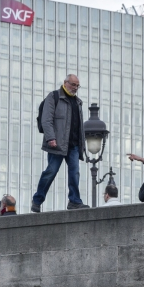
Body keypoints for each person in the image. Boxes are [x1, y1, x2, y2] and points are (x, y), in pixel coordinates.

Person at [32, 74, 89, 212]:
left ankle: (74, 201)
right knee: (51, 171)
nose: (75, 88)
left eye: (77, 85)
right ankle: (37, 200)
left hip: (73, 145)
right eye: (73, 84)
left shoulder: (78, 102)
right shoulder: (54, 97)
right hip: (57, 143)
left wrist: (82, 146)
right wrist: (51, 138)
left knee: (74, 173)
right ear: (65, 83)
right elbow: (46, 119)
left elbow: (78, 126)